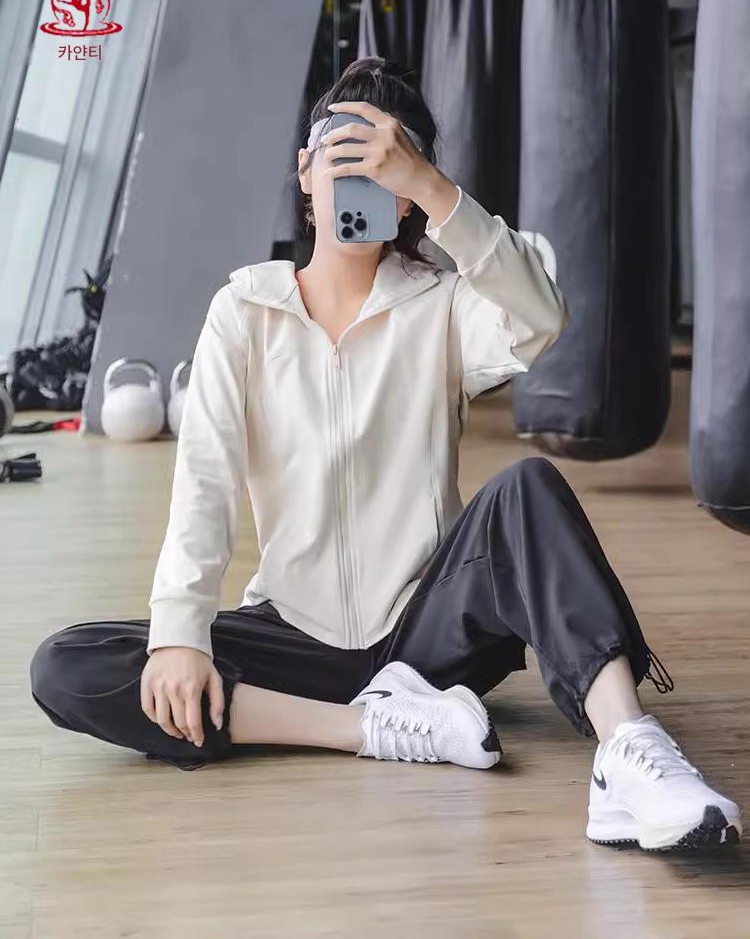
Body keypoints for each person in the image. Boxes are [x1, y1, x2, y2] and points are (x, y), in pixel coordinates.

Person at [30, 57, 741, 853]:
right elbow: (204, 485)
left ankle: (628, 751)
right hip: (294, 635)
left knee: (529, 487)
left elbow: (539, 317)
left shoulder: (443, 304)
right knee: (70, 666)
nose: (358, 181)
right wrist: (180, 637)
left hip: (430, 634)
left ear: (406, 196)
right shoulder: (244, 312)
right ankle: (371, 728)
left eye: (385, 166)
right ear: (306, 171)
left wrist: (436, 190)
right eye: (341, 155)